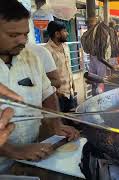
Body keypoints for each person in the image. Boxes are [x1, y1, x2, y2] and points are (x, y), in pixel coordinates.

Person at [0, 0, 79, 172]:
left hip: (32, 155)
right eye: (13, 35)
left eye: (25, 34)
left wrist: (56, 124)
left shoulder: (31, 56)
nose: (22, 41)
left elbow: (47, 94)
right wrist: (13, 150)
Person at [44, 21, 76, 112]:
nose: (67, 33)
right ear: (57, 34)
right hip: (58, 95)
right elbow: (45, 75)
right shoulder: (47, 51)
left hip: (69, 93)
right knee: (61, 121)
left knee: (72, 120)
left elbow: (67, 67)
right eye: (65, 31)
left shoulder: (65, 46)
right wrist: (56, 92)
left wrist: (73, 85)